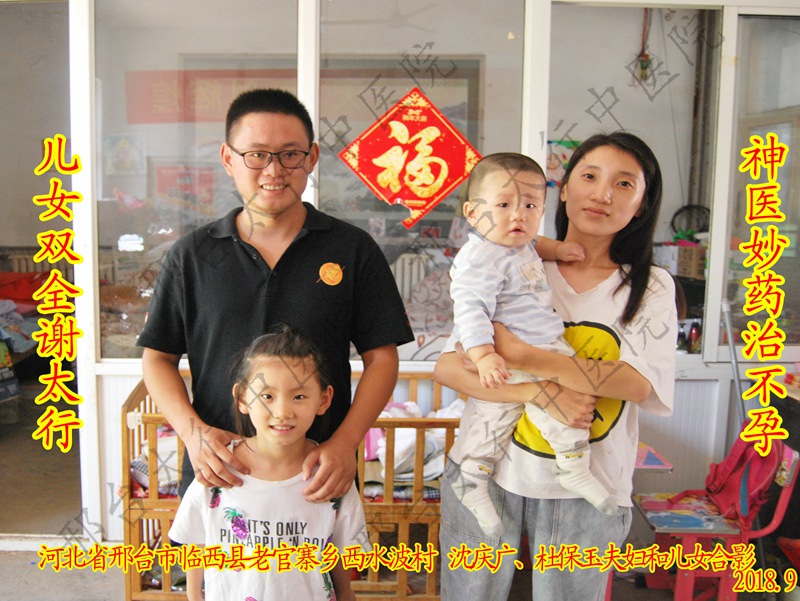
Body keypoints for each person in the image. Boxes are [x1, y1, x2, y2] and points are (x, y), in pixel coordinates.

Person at [138, 88, 414, 502]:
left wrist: (345, 444)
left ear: (312, 158)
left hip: (319, 473)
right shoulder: (193, 255)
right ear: (228, 158)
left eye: (290, 154)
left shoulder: (352, 249)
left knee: (328, 549)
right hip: (220, 471)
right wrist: (194, 435)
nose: (274, 169)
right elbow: (158, 358)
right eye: (256, 154)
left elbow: (382, 357)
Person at [435, 132, 677, 601]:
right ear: (563, 190)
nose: (602, 194)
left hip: (588, 485)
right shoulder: (510, 257)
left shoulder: (650, 287)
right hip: (489, 474)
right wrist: (537, 392)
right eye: (589, 176)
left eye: (624, 184)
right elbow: (450, 367)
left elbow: (637, 384)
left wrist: (525, 356)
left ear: (642, 205)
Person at [448, 153, 615, 539]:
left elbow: (535, 245)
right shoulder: (479, 257)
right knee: (497, 419)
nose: (517, 216)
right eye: (504, 205)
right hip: (505, 356)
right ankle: (475, 478)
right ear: (473, 213)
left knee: (563, 406)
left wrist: (558, 251)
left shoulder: (517, 244)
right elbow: (469, 308)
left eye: (530, 206)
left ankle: (570, 467)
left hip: (544, 348)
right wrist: (484, 355)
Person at [169, 324, 369, 601]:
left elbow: (342, 553)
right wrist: (194, 596)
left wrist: (346, 595)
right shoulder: (216, 469)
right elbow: (196, 541)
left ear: (324, 400)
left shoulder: (330, 475)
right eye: (267, 396)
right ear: (242, 398)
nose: (282, 411)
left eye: (299, 396)